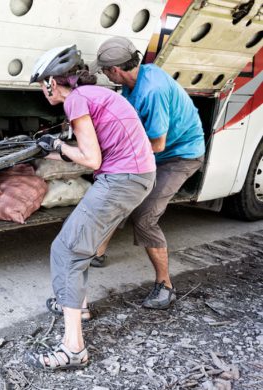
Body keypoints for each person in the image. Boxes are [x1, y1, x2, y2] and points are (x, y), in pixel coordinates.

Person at [25, 45, 156, 370]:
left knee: (66, 250)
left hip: (123, 178)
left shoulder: (76, 100)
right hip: (135, 175)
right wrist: (50, 152)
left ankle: (74, 349)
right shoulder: (93, 94)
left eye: (42, 84)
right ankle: (78, 305)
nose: (44, 90)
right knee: (79, 245)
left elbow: (90, 159)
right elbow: (88, 152)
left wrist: (57, 145)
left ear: (52, 83)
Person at [90, 37, 205, 309]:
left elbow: (157, 144)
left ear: (115, 70)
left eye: (105, 70)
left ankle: (165, 286)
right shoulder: (135, 81)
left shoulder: (151, 89)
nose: (105, 75)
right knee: (120, 190)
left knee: (144, 216)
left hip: (179, 156)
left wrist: (114, 159)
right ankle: (98, 252)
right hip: (158, 152)